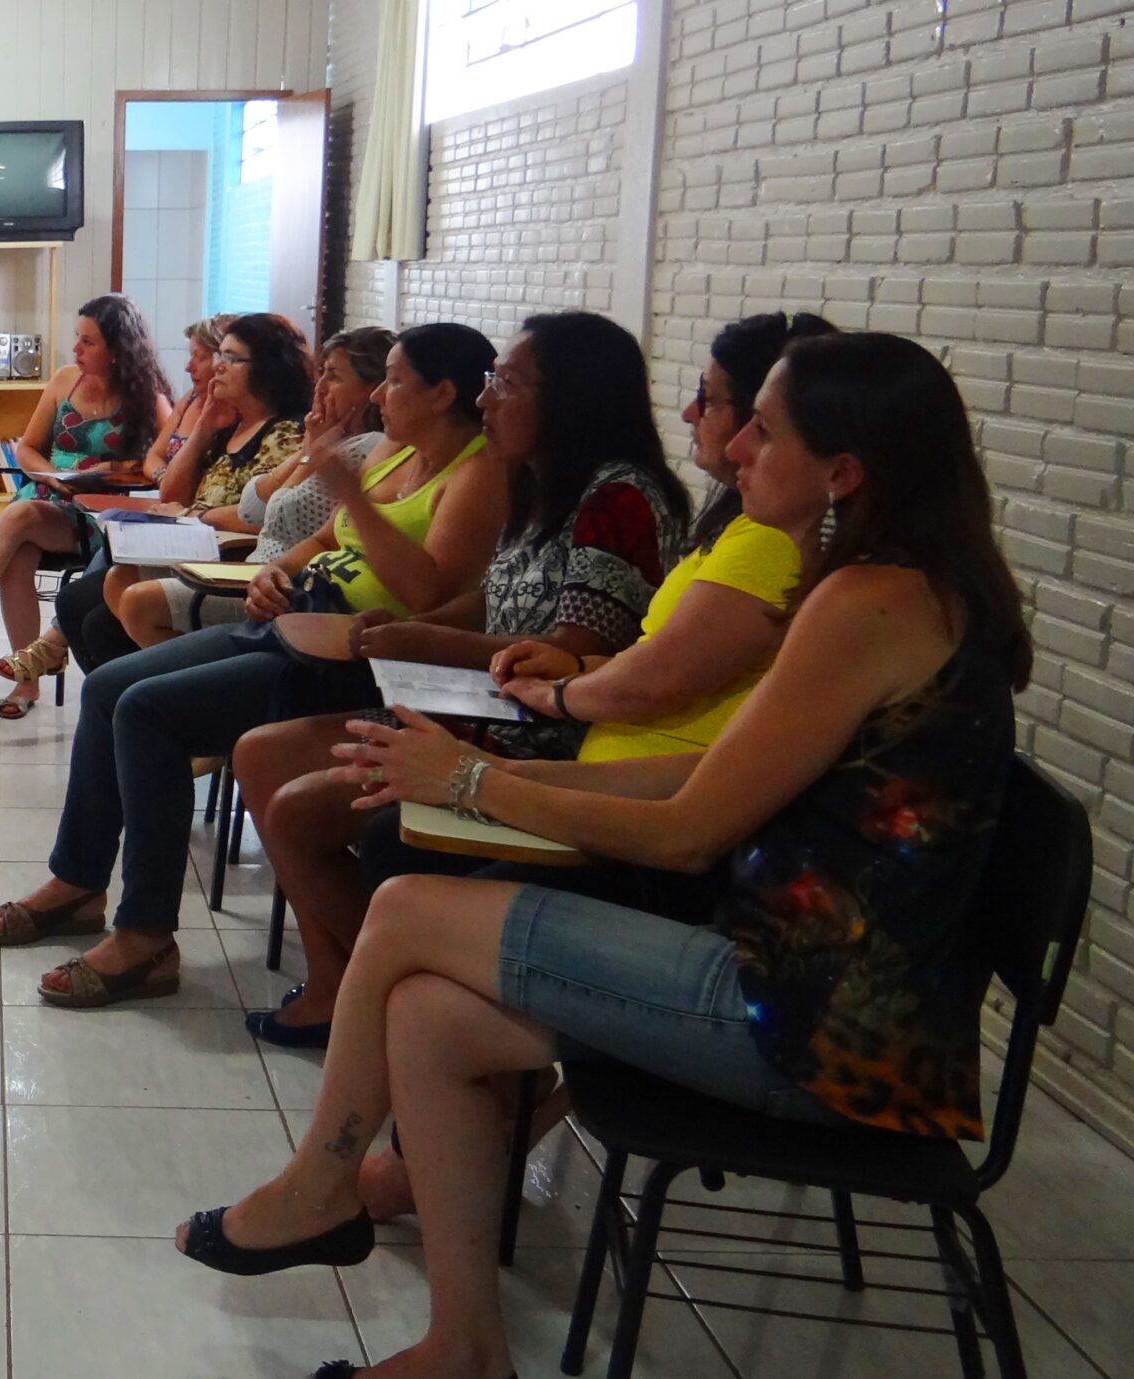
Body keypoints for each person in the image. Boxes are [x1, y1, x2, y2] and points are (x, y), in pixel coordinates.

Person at [172, 332, 1030, 1379]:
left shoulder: (866, 603)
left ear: (842, 472)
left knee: (403, 909)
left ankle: (322, 1183)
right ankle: (462, 1344)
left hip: (811, 1022)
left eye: (761, 426)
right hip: (805, 985)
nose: (733, 441)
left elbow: (689, 829)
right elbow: (696, 779)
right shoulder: (889, 587)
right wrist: (467, 776)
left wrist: (479, 784)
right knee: (426, 1013)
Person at [320, 309, 841, 1221]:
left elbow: (671, 757)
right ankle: (387, 1189)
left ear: (842, 465)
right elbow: (657, 696)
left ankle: (348, 1170)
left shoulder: (810, 576)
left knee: (399, 876)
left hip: (744, 946)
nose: (700, 420)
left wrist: (520, 742)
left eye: (740, 413)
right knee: (400, 889)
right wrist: (547, 703)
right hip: (641, 808)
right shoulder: (750, 540)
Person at [0, 324, 506, 1006]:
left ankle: (146, 935)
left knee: (147, 712)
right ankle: (79, 881)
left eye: (396, 381)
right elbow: (324, 538)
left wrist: (344, 488)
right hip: (295, 617)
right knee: (110, 686)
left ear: (442, 394)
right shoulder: (391, 453)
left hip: (357, 657)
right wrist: (272, 575)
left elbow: (427, 590)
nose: (380, 394)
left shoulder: (476, 473)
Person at [230, 310, 708, 1048]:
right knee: (262, 752)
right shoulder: (541, 481)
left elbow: (567, 651)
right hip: (471, 703)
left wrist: (422, 638)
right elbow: (491, 596)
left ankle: (385, 994)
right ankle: (344, 982)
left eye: (506, 383)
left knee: (297, 808)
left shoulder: (617, 497)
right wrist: (417, 633)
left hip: (536, 737)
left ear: (570, 397)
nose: (487, 402)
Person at [0, 294, 174, 716]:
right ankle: (25, 685)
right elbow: (26, 449)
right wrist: (49, 476)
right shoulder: (66, 380)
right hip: (45, 494)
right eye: (77, 339)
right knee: (18, 552)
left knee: (19, 517)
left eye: (88, 343)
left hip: (93, 515)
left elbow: (168, 461)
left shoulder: (146, 396)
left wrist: (120, 466)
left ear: (119, 349)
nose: (76, 350)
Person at [118, 327, 397, 647]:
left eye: (332, 377)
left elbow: (259, 515)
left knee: (134, 599)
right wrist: (310, 448)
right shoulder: (320, 437)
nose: (319, 387)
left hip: (271, 583)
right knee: (112, 580)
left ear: (371, 390)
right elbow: (254, 503)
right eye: (320, 374)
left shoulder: (351, 446)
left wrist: (195, 514)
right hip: (257, 574)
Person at [32, 313, 238, 675]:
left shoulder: (224, 414)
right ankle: (51, 653)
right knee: (75, 578)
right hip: (173, 513)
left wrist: (144, 475)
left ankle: (51, 647)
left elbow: (175, 484)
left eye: (199, 357)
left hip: (200, 531)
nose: (188, 366)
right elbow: (156, 457)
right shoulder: (192, 399)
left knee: (87, 601)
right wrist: (162, 473)